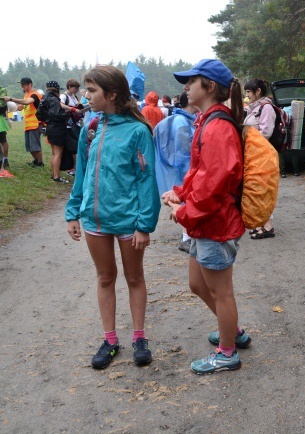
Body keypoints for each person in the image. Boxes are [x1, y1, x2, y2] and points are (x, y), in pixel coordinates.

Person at [65, 65, 160, 370]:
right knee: (105, 277)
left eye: (92, 91)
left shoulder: (138, 130)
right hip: (95, 221)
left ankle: (139, 338)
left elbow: (147, 180)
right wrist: (73, 212)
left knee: (134, 277)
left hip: (129, 221)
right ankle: (110, 341)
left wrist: (145, 225)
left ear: (112, 94)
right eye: (86, 89)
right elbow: (81, 172)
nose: (86, 95)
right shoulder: (90, 128)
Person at [163, 58, 251, 375]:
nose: (185, 87)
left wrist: (186, 210)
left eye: (191, 82)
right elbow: (199, 172)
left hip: (216, 223)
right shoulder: (207, 121)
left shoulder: (217, 127)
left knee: (220, 291)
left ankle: (227, 351)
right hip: (205, 222)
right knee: (197, 284)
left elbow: (216, 183)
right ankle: (233, 331)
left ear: (209, 87)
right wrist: (180, 193)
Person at [153, 91, 198, 254]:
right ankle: (186, 238)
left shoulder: (181, 119)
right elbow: (183, 150)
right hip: (184, 168)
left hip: (182, 167)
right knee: (188, 199)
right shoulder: (182, 121)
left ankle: (188, 235)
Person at [243, 78, 278, 239]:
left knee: (265, 189)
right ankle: (263, 223)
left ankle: (268, 226)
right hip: (255, 155)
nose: (247, 95)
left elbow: (266, 132)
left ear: (258, 91)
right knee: (258, 189)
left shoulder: (266, 108)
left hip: (264, 156)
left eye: (249, 91)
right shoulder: (254, 108)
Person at [2, 77, 43, 167]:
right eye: (21, 84)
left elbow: (27, 102)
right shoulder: (27, 95)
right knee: (29, 146)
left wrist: (11, 99)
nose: (22, 86)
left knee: (35, 145)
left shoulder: (35, 94)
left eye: (24, 84)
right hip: (28, 124)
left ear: (30, 84)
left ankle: (40, 163)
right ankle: (36, 161)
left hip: (35, 123)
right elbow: (21, 106)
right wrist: (8, 106)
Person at [36, 81, 69, 183]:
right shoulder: (54, 100)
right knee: (58, 153)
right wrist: (65, 115)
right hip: (58, 128)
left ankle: (53, 175)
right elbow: (55, 114)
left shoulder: (44, 98)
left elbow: (39, 114)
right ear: (57, 90)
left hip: (49, 127)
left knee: (54, 153)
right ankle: (56, 177)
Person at [60, 79, 83, 177]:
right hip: (67, 126)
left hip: (75, 124)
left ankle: (75, 167)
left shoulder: (74, 96)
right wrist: (72, 109)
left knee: (76, 146)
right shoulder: (63, 96)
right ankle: (74, 167)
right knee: (73, 147)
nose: (77, 90)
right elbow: (60, 105)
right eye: (75, 88)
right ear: (69, 87)